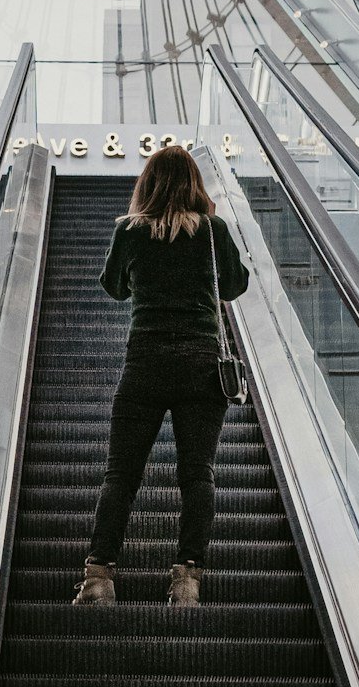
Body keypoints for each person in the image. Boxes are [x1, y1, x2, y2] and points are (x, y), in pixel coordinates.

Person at [74, 143, 249, 609]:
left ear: (147, 184)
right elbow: (234, 286)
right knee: (197, 474)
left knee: (122, 473)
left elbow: (113, 287)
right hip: (201, 364)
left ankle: (98, 577)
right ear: (195, 184)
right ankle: (187, 581)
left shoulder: (128, 231)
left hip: (146, 363)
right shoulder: (213, 231)